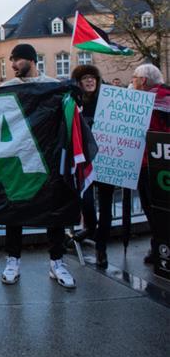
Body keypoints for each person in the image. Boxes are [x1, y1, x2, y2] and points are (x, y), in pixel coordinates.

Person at [0, 43, 75, 289]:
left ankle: (57, 262)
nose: (12, 65)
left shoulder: (52, 86)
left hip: (48, 159)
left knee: (54, 212)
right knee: (15, 212)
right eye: (11, 60)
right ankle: (13, 261)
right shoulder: (5, 89)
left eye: (17, 60)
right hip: (18, 161)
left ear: (31, 61)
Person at [69, 64, 115, 268]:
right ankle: (89, 227)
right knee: (86, 201)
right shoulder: (74, 103)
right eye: (85, 78)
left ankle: (101, 248)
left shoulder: (109, 102)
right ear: (79, 82)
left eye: (92, 78)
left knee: (106, 206)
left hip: (108, 160)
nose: (89, 81)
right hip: (85, 162)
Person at [132, 63, 169, 265]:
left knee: (153, 209)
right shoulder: (167, 97)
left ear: (143, 81)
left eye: (134, 78)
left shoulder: (144, 102)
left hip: (148, 164)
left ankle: (160, 249)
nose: (132, 81)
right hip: (163, 163)